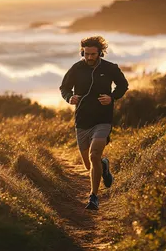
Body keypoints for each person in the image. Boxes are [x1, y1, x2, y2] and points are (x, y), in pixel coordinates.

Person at [59, 36, 129, 210]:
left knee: (94, 155)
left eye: (93, 54)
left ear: (100, 53)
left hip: (102, 119)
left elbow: (123, 85)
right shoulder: (76, 68)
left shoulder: (110, 68)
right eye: (86, 54)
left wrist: (112, 97)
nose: (89, 57)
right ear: (83, 52)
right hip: (82, 120)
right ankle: (104, 167)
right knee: (89, 165)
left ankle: (94, 197)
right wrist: (70, 97)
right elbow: (64, 88)